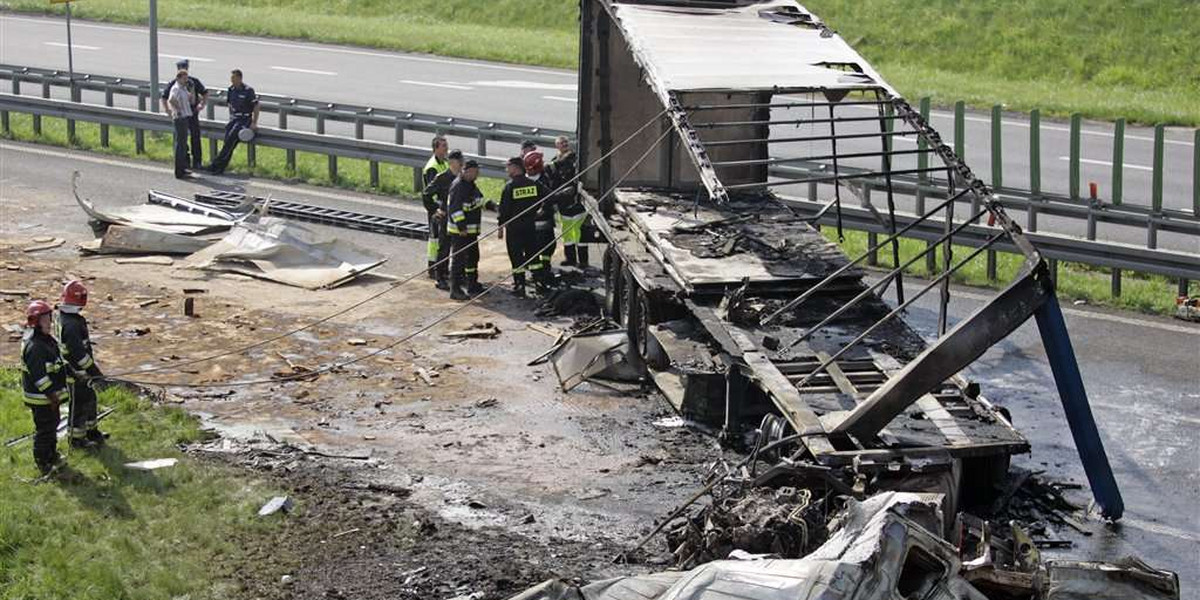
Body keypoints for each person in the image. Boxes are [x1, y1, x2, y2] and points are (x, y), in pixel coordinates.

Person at [56, 281, 107, 449]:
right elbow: (79, 355)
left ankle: (92, 432)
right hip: (76, 373)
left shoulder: (68, 318)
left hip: (81, 372)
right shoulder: (71, 325)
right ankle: (76, 440)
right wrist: (94, 371)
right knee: (79, 405)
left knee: (90, 400)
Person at [20, 300, 68, 477]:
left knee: (53, 425)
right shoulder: (35, 347)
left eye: (50, 317)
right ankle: (42, 461)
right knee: (45, 430)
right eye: (46, 319)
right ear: (36, 322)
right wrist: (52, 396)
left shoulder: (47, 340)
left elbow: (56, 364)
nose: (50, 322)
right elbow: (40, 377)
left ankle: (51, 454)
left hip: (49, 397)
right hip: (41, 399)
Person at [498, 156, 548, 297]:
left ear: (515, 168)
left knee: (516, 258)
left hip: (514, 229)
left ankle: (520, 286)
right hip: (530, 227)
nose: (507, 169)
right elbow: (548, 196)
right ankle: (540, 284)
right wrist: (542, 210)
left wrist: (500, 227)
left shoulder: (510, 187)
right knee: (534, 257)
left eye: (508, 166)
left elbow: (504, 211)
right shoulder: (533, 184)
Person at [422, 149, 464, 290]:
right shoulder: (442, 178)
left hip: (458, 218)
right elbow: (426, 194)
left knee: (459, 249)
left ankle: (457, 275)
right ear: (452, 163)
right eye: (460, 162)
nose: (462, 164)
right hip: (446, 218)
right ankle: (440, 276)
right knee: (444, 248)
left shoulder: (462, 179)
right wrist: (435, 210)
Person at [445, 159, 486, 300]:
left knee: (473, 257)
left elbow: (477, 199)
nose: (477, 174)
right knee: (459, 260)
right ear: (466, 171)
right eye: (475, 171)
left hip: (470, 231)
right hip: (461, 231)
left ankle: (472, 284)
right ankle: (455, 289)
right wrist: (462, 227)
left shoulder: (469, 184)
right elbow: (455, 209)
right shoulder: (458, 186)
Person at [209, 69, 260, 175]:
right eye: (231, 78)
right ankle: (219, 166)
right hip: (234, 119)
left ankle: (216, 165)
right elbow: (229, 104)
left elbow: (256, 106)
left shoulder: (248, 90)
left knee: (230, 141)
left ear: (240, 78)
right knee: (227, 142)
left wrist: (254, 122)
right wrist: (231, 117)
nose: (231, 80)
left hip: (244, 119)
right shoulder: (231, 90)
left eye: (234, 78)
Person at [160, 59, 208, 170]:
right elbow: (165, 97)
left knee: (195, 137)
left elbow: (205, 93)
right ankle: (184, 162)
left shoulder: (193, 81)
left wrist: (202, 104)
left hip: (192, 112)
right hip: (181, 115)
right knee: (181, 140)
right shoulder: (174, 84)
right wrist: (168, 110)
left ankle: (197, 161)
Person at [549, 136, 586, 268]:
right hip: (563, 203)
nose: (564, 144)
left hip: (577, 201)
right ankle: (570, 259)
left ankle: (583, 261)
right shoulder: (554, 162)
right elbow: (553, 182)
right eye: (561, 143)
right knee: (567, 232)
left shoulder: (576, 159)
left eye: (565, 142)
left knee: (580, 232)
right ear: (557, 146)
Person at [525, 151, 557, 286]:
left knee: (542, 249)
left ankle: (540, 272)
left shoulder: (526, 181)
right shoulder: (541, 180)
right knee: (539, 249)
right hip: (538, 224)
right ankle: (539, 274)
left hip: (537, 223)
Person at [421, 136, 451, 279]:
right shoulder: (432, 166)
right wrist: (435, 210)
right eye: (443, 146)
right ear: (436, 148)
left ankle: (441, 266)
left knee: (442, 239)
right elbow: (430, 191)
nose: (446, 148)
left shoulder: (444, 163)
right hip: (436, 209)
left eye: (446, 145)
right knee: (435, 239)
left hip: (443, 207)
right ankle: (433, 268)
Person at [166, 69, 195, 179]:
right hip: (180, 118)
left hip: (185, 117)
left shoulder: (183, 88)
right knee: (180, 145)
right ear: (178, 78)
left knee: (183, 144)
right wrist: (178, 110)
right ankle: (179, 171)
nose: (186, 80)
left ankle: (182, 168)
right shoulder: (176, 88)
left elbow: (191, 99)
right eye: (184, 78)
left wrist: (191, 89)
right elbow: (172, 99)